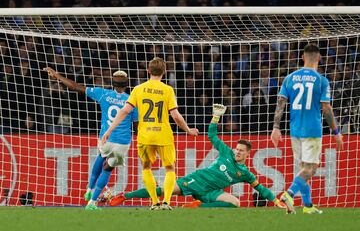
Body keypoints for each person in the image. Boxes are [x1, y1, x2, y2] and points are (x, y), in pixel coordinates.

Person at [108, 104, 286, 209]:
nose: (237, 151)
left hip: (212, 192)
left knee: (235, 203)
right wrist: (215, 118)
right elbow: (212, 136)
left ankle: (197, 205)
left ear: (248, 154)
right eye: (237, 149)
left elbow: (261, 188)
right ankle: (126, 196)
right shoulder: (226, 152)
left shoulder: (245, 173)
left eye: (241, 151)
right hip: (197, 180)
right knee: (163, 191)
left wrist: (276, 200)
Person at [101, 57, 199, 210]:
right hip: (163, 136)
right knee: (170, 168)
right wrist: (188, 130)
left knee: (146, 168)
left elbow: (125, 111)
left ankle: (154, 202)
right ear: (164, 72)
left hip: (145, 136)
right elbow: (176, 116)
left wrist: (109, 130)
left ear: (148, 71)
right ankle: (166, 202)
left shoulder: (138, 89)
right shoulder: (167, 90)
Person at [44, 67, 138, 210]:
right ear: (127, 84)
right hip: (121, 141)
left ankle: (89, 190)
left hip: (105, 138)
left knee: (101, 157)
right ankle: (92, 202)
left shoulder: (103, 94)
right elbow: (137, 123)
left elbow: (75, 87)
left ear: (112, 83)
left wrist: (57, 76)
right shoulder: (132, 101)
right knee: (107, 169)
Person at [270, 44, 344, 214]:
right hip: (312, 130)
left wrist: (275, 127)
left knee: (304, 169)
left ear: (302, 57)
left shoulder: (289, 78)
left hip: (295, 130)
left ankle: (308, 206)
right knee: (311, 169)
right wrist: (336, 132)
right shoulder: (322, 81)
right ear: (319, 58)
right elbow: (326, 108)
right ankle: (289, 194)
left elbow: (281, 103)